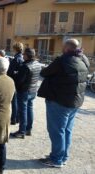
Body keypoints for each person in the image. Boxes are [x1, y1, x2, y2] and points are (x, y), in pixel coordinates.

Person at [38, 39, 89, 168]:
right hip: (75, 101)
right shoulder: (84, 59)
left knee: (57, 131)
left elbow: (44, 73)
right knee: (67, 130)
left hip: (59, 101)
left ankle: (56, 159)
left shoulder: (62, 61)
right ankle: (63, 156)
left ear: (66, 49)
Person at [10, 48, 41, 138]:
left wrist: (14, 74)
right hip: (33, 90)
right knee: (29, 109)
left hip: (24, 91)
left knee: (22, 111)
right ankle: (28, 129)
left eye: (24, 55)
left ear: (27, 55)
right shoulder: (37, 64)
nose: (23, 56)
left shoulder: (25, 66)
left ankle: (22, 131)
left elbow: (19, 80)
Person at [8, 42, 24, 125]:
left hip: (14, 82)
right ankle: (17, 118)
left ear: (15, 49)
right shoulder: (22, 58)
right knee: (17, 101)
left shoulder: (16, 59)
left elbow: (10, 72)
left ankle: (14, 118)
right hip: (19, 82)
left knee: (14, 101)